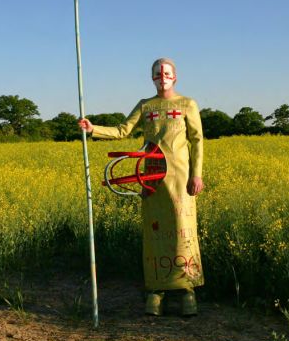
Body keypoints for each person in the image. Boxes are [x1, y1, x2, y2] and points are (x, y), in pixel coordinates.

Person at [79, 57, 204, 316]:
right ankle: (156, 291)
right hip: (151, 179)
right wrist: (93, 129)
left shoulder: (187, 104)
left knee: (184, 229)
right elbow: (123, 130)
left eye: (167, 73)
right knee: (155, 232)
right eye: (157, 74)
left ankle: (186, 290)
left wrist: (197, 174)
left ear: (175, 77)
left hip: (181, 178)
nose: (162, 77)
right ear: (152, 78)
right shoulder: (145, 106)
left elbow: (197, 141)